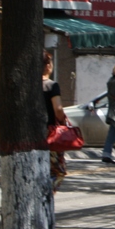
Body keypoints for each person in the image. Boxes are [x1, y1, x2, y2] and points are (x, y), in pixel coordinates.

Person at [43, 51, 69, 191]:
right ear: (48, 66)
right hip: (50, 134)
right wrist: (64, 122)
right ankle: (46, 195)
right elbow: (58, 110)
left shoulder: (28, 86)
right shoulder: (51, 86)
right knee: (58, 172)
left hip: (31, 135)